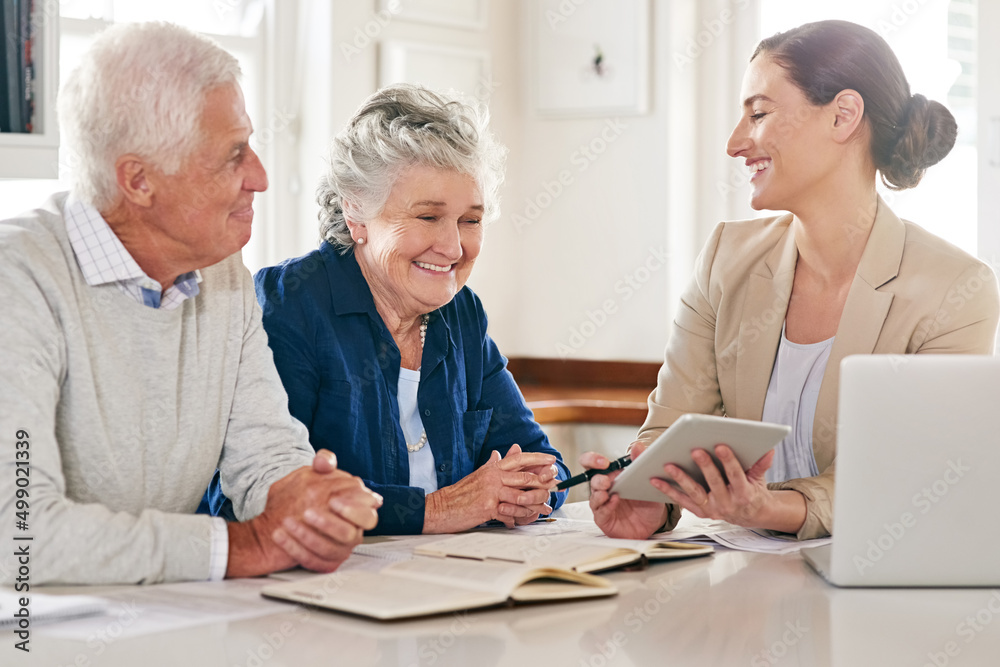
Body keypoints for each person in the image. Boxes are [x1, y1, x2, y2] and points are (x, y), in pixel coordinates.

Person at [584, 20, 1000, 541]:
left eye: (758, 114)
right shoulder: (724, 259)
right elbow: (668, 434)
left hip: (874, 591)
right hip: (739, 584)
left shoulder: (955, 290)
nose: (736, 143)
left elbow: (912, 483)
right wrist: (653, 500)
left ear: (844, 116)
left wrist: (771, 508)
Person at [0, 22, 382, 586]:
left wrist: (309, 504)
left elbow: (267, 457)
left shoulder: (222, 273)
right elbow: (19, 537)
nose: (261, 176)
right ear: (139, 180)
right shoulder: (18, 279)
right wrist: (242, 545)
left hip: (152, 621)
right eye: (233, 154)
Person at [206, 84, 570, 534]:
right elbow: (259, 497)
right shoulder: (290, 305)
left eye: (470, 220)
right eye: (427, 217)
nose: (454, 247)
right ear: (356, 214)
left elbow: (544, 461)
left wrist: (533, 489)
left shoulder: (462, 314)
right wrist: (441, 509)